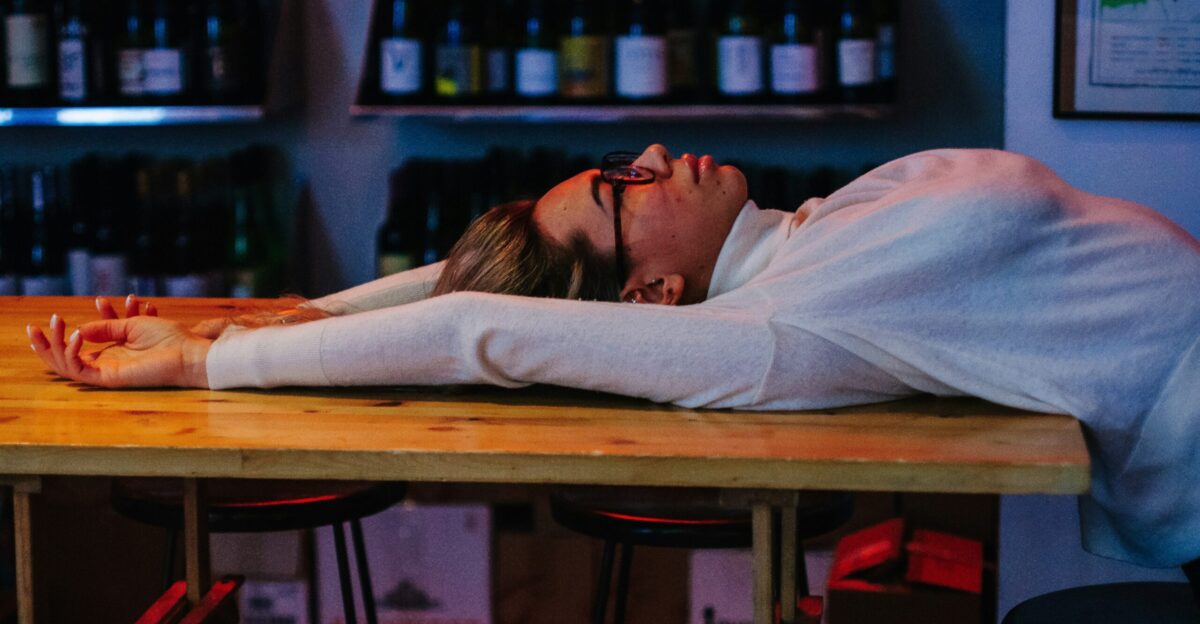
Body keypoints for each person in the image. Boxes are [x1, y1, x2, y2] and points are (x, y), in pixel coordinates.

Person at [24, 145, 1200, 571]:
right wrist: (199, 376)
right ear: (647, 294)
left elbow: (444, 294)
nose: (649, 154)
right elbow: (466, 328)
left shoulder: (810, 239)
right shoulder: (788, 325)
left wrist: (258, 324)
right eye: (620, 193)